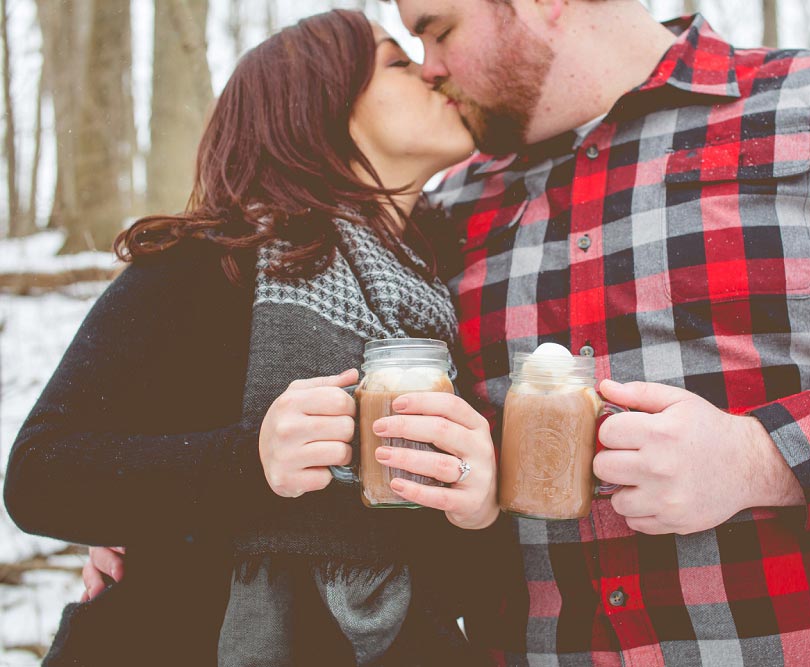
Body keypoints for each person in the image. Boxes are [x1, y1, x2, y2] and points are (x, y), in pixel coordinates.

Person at [84, 1, 810, 664]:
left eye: (437, 29)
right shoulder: (439, 219)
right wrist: (167, 515)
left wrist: (762, 456)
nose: (429, 63)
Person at [3, 10, 499, 667]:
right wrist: (249, 460)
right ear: (318, 104)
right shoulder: (212, 265)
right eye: (398, 63)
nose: (432, 73)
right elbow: (41, 474)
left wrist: (478, 510)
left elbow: (438, 584)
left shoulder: (439, 297)